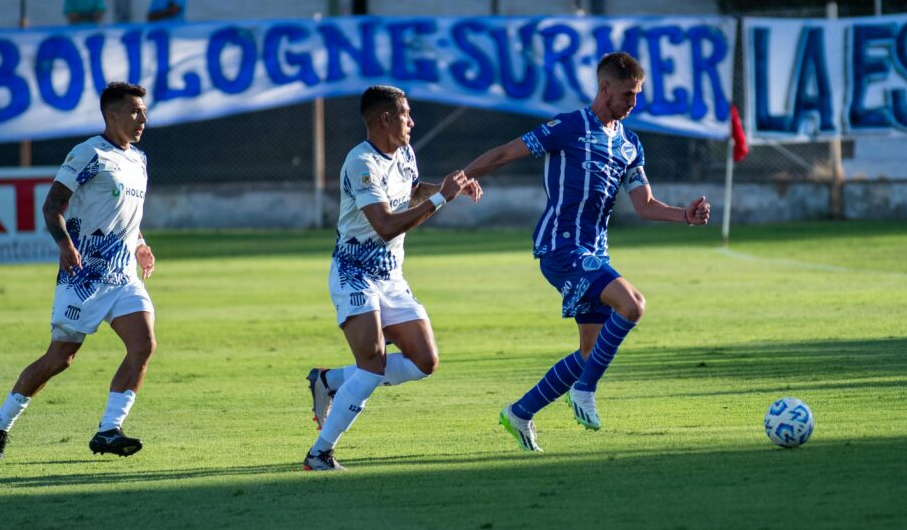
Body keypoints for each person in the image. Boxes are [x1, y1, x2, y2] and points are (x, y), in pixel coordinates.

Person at [463, 52, 711, 451]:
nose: (633, 103)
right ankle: (584, 391)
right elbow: (504, 153)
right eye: (628, 94)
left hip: (595, 253)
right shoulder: (568, 126)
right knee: (633, 305)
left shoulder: (630, 145)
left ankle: (520, 413)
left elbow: (645, 205)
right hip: (561, 248)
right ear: (605, 89)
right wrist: (458, 178)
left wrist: (685, 215)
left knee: (589, 352)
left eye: (638, 95)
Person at [303, 85, 482, 471]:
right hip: (354, 275)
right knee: (372, 364)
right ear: (385, 119)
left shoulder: (404, 154)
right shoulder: (360, 162)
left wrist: (447, 189)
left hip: (390, 277)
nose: (412, 122)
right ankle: (320, 452)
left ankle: (330, 380)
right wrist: (443, 199)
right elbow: (384, 224)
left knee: (424, 361)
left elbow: (412, 191)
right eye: (406, 114)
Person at [0, 81, 157, 460]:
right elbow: (51, 205)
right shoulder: (88, 153)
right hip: (83, 278)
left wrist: (140, 245)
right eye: (134, 111)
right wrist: (64, 244)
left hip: (122, 275)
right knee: (60, 359)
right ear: (111, 115)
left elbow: (125, 216)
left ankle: (109, 430)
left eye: (143, 111)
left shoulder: (139, 159)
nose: (142, 117)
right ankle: (0, 422)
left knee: (143, 345)